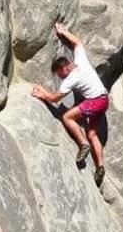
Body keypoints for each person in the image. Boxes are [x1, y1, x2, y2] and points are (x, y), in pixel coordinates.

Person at [31, 23, 110, 187]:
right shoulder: (80, 60)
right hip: (103, 100)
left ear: (65, 68)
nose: (60, 77)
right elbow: (78, 43)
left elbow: (54, 99)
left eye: (60, 74)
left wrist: (42, 93)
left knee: (67, 117)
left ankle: (83, 145)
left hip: (95, 102)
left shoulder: (72, 78)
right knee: (93, 132)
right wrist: (64, 32)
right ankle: (100, 166)